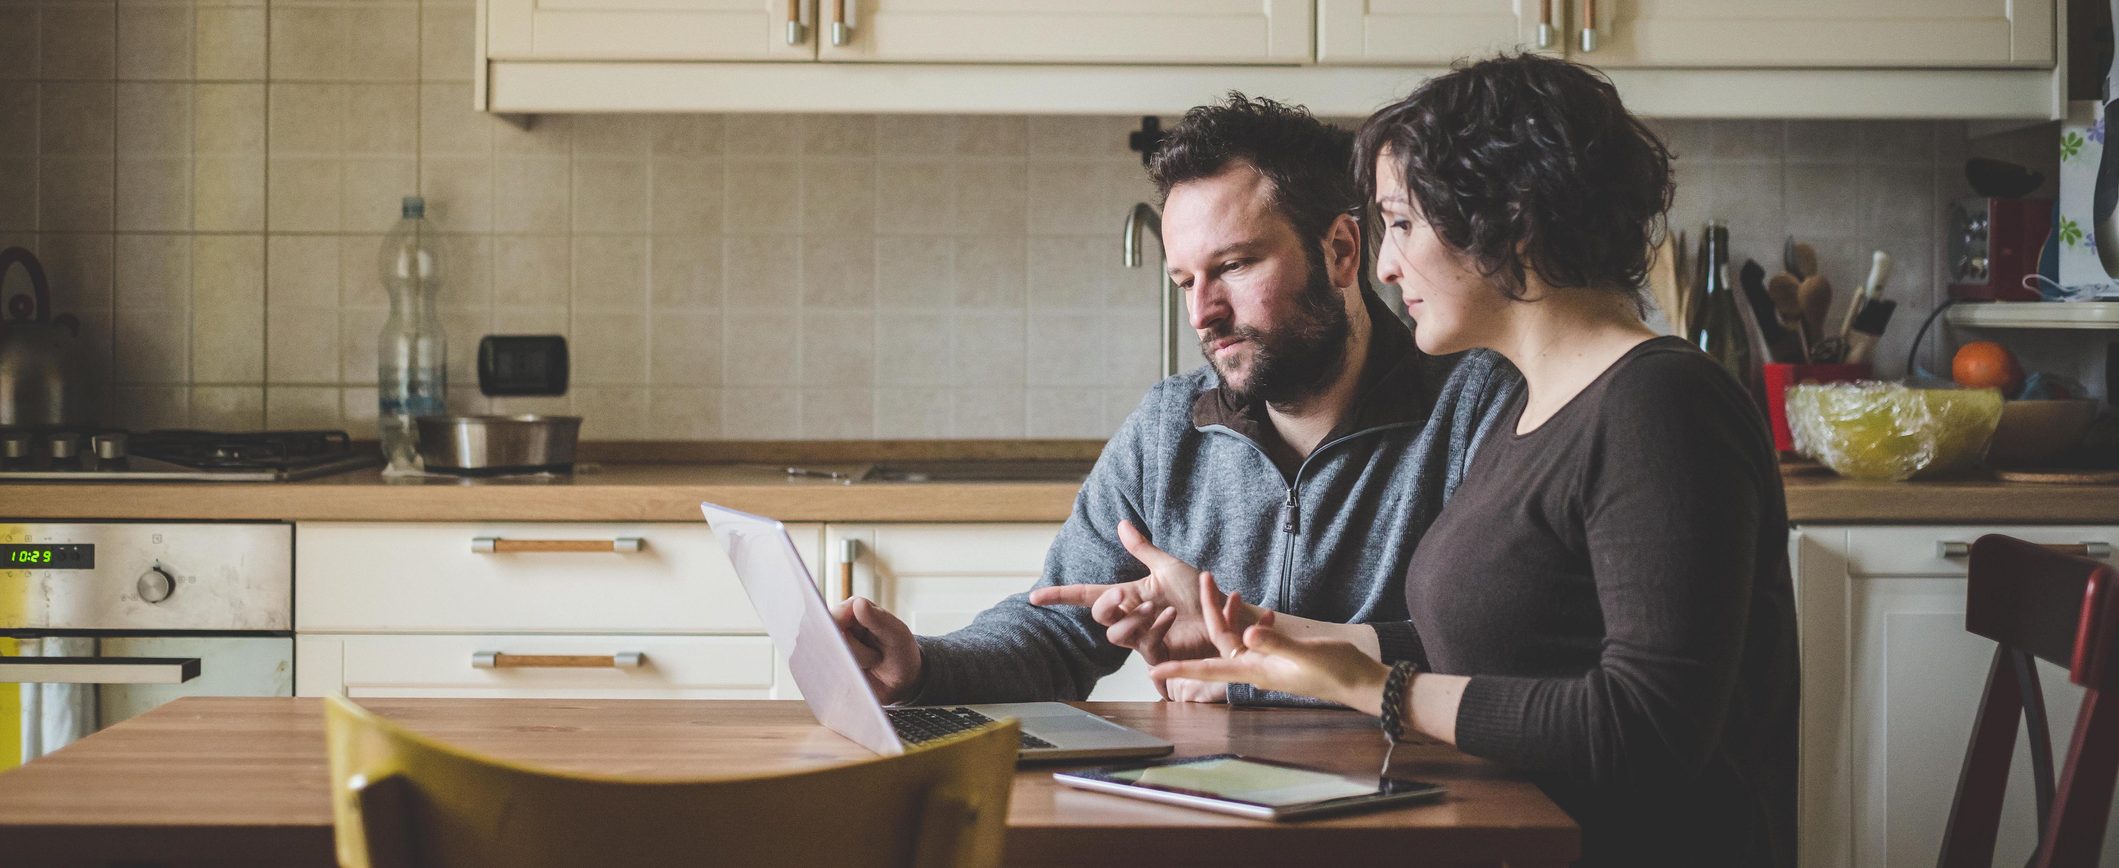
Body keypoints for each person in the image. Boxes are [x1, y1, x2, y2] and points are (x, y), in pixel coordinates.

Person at [1146, 55, 1798, 867]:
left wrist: (1368, 690)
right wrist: (1280, 640)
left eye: (1404, 224)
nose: (1384, 266)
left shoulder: (1661, 406)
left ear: (1508, 221)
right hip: (1503, 833)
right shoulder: (1526, 407)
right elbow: (1515, 648)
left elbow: (1645, 729)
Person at [830, 95, 1522, 706]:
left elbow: (1503, 646)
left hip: (1416, 798)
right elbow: (1060, 629)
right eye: (1184, 280)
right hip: (1213, 798)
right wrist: (922, 665)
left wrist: (1250, 644)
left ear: (1341, 251)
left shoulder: (1475, 407)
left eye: (1234, 266)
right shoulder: (1170, 427)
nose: (1203, 313)